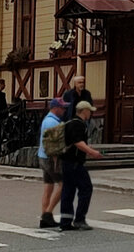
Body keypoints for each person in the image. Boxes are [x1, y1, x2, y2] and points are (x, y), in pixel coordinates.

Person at [59, 100, 102, 231]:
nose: (91, 114)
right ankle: (80, 219)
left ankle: (65, 221)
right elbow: (77, 142)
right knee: (86, 188)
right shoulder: (78, 124)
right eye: (90, 111)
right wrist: (91, 152)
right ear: (84, 111)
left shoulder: (70, 123)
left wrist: (86, 150)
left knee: (68, 191)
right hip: (74, 163)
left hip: (66, 162)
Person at [36, 98, 66, 228]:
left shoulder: (47, 120)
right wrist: (55, 160)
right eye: (62, 107)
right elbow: (52, 144)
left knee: (48, 186)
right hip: (51, 158)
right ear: (56, 108)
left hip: (42, 156)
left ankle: (45, 217)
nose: (64, 110)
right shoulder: (52, 122)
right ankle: (47, 213)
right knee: (63, 185)